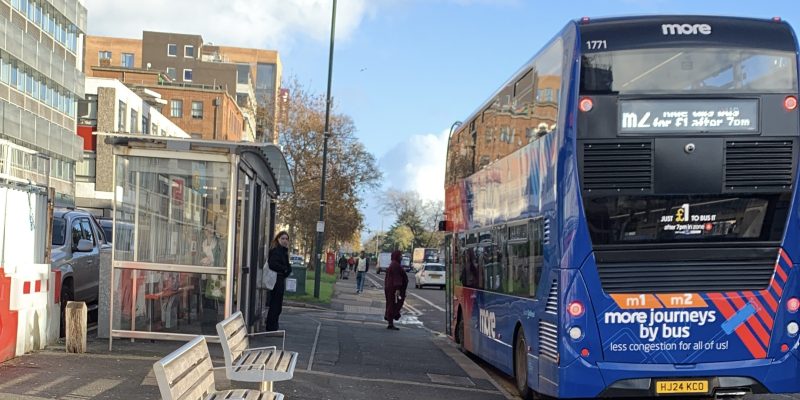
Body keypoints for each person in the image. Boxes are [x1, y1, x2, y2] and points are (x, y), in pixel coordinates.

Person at [265, 231, 292, 331]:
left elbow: (286, 265)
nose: (285, 241)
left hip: (280, 279)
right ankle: (271, 325)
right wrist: (284, 269)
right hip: (276, 280)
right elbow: (272, 264)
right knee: (275, 304)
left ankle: (273, 324)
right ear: (278, 239)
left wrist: (287, 269)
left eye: (286, 239)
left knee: (277, 303)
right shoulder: (276, 251)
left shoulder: (284, 251)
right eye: (283, 238)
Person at [383, 250, 408, 330]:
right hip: (393, 289)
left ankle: (391, 317)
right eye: (400, 255)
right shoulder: (395, 265)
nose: (401, 257)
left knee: (392, 304)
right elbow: (397, 277)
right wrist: (397, 289)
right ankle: (391, 319)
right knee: (393, 304)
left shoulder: (394, 264)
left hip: (391, 288)